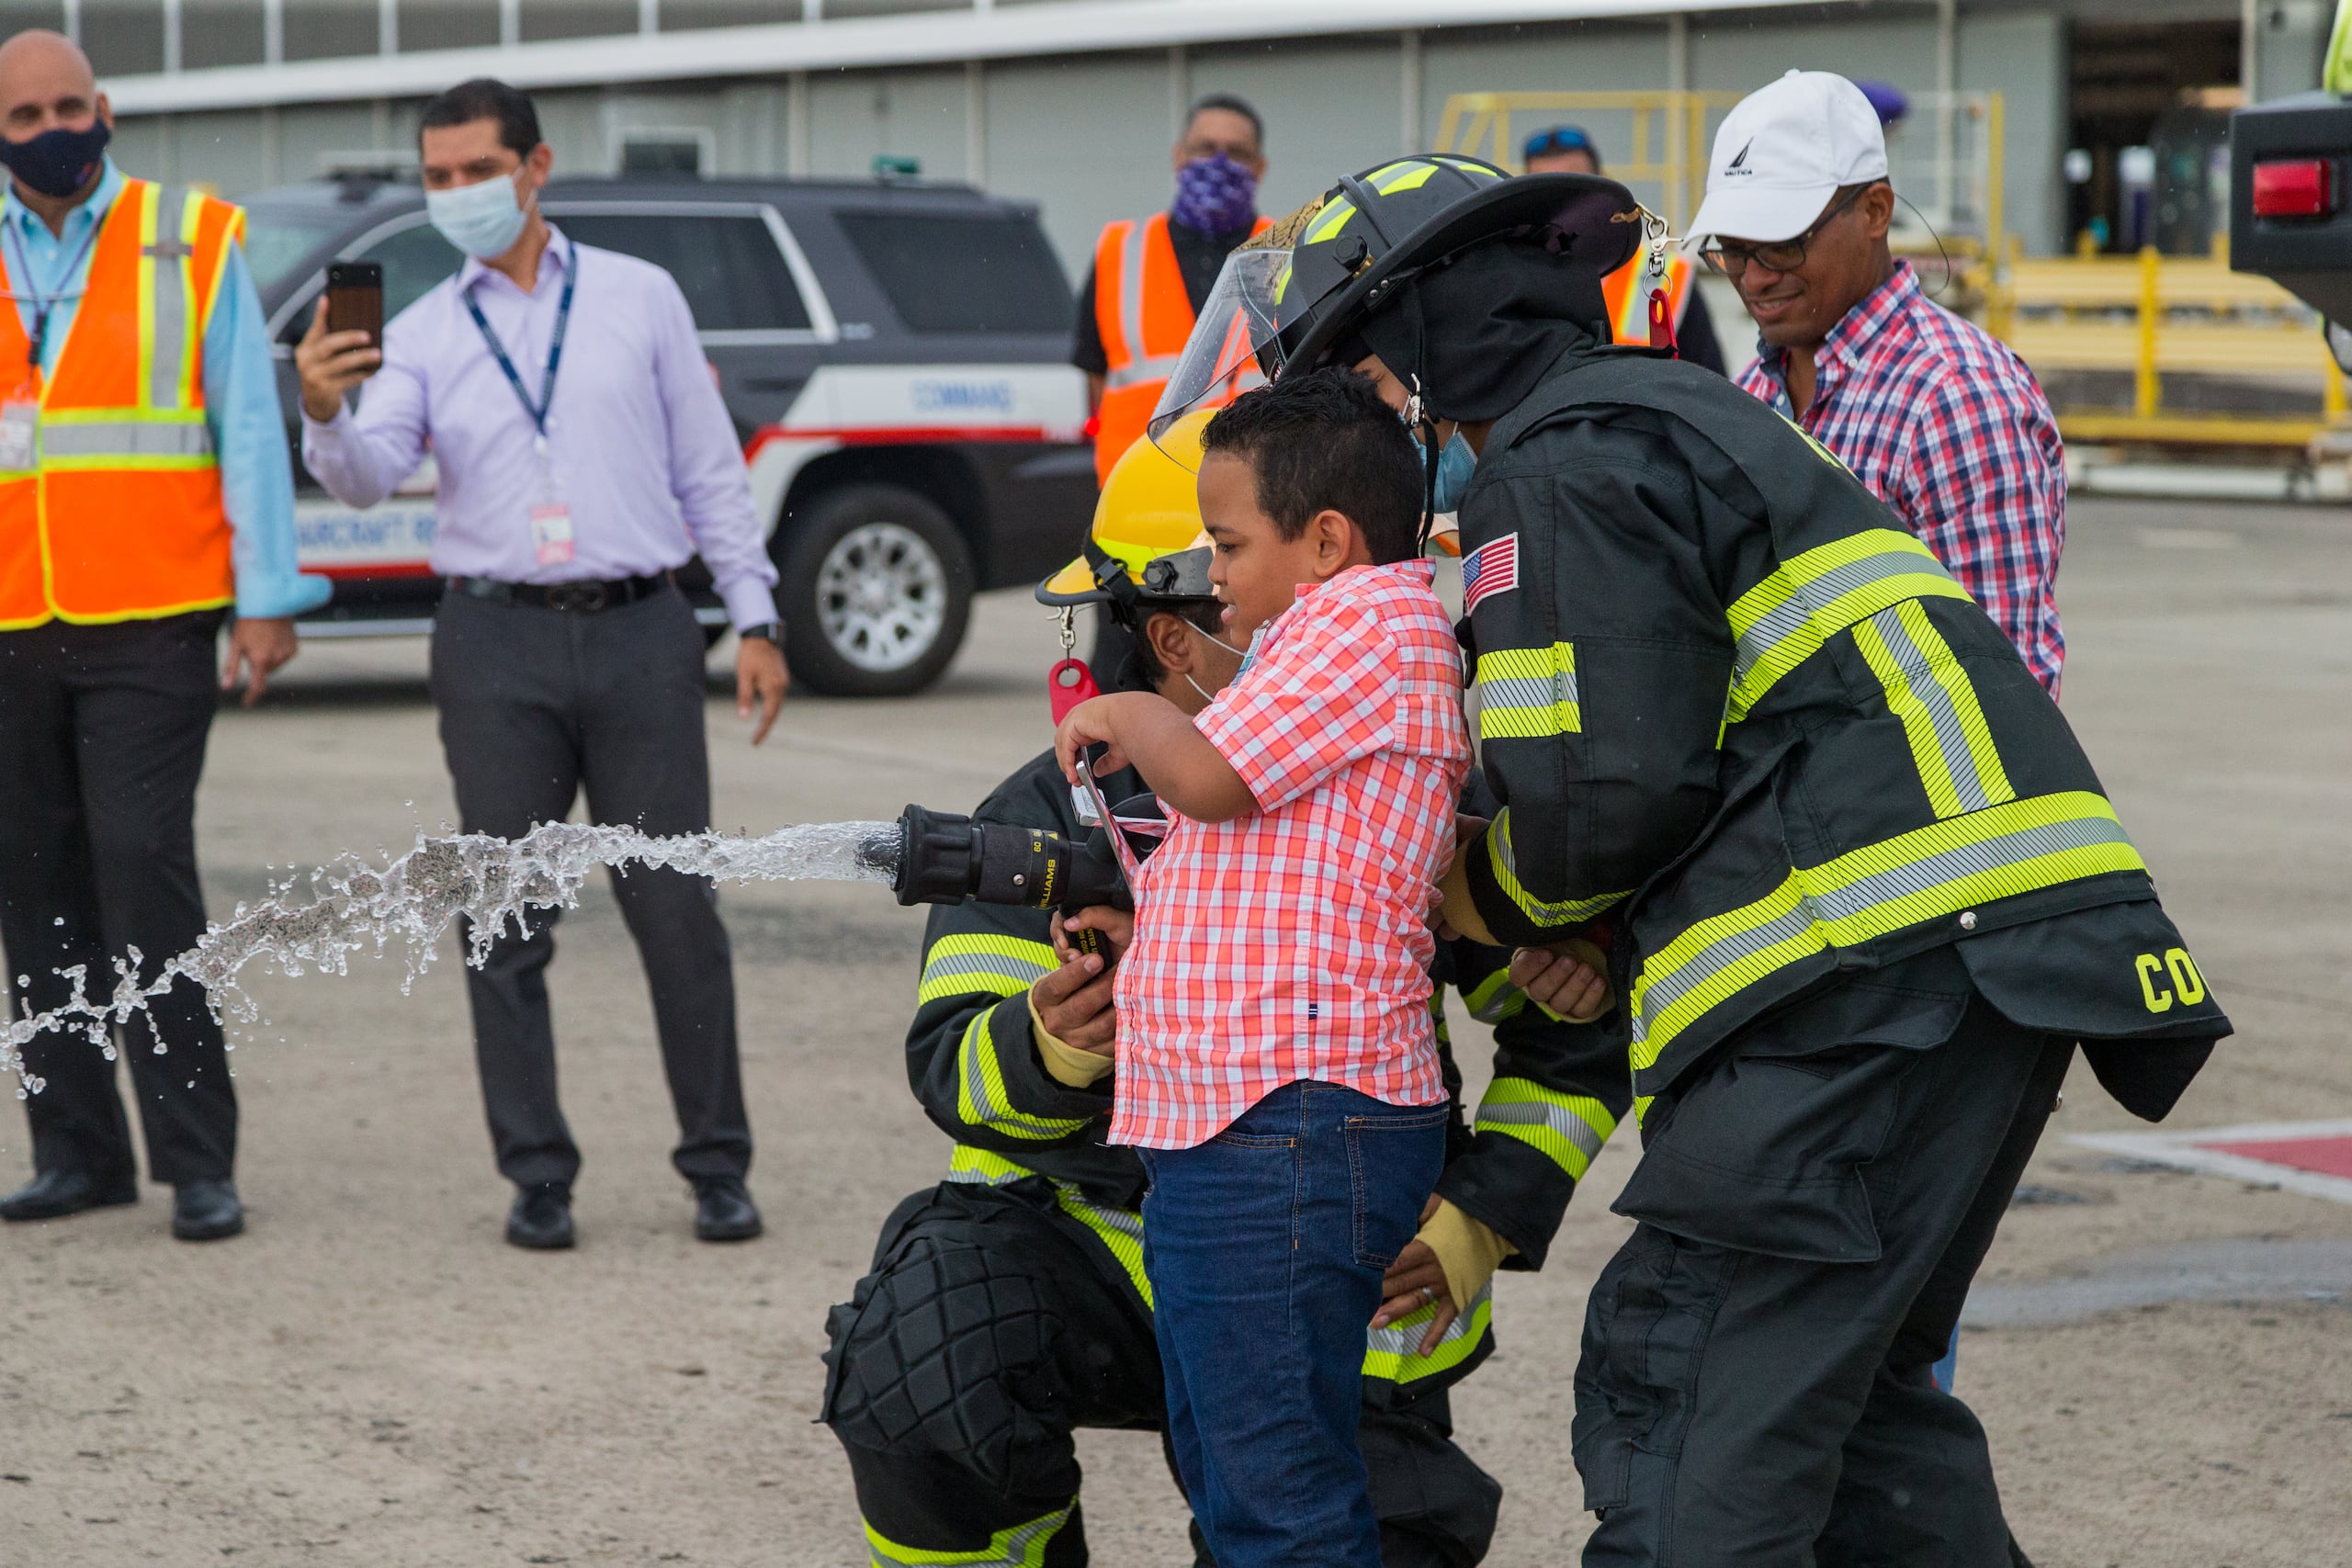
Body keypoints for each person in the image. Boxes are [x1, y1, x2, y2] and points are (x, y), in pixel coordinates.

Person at [1170, 153, 2229, 1563]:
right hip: (2003, 955)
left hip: (1876, 976)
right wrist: (1585, 930)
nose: (1361, 415)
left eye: (1359, 373)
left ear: (1426, 347)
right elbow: (1689, 767)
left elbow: (1596, 808)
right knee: (1852, 1435)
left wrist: (1470, 893)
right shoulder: (1673, 417)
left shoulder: (1550, 477)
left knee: (1682, 1404)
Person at [820, 416, 1630, 1567]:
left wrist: (1476, 1219)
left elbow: (1572, 1040)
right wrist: (1058, 1041)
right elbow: (951, 1069)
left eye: (1237, 553)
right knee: (925, 1353)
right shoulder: (1041, 818)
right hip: (1093, 1253)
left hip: (1317, 1224)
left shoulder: (1376, 772)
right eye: (1219, 565)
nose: (1251, 610)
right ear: (1173, 636)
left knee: (1298, 1519)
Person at [293, 77, 789, 1251]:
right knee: (500, 921)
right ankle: (537, 1175)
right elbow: (370, 473)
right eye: (437, 175)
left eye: (476, 170)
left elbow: (708, 470)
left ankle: (717, 1166)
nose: (456, 193)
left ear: (535, 166)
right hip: (494, 641)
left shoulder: (640, 298)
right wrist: (324, 413)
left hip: (639, 630)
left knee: (674, 909)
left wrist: (757, 618)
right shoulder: (415, 331)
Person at [1045, 372, 1473, 1568]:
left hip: (1285, 1122)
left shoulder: (1365, 625)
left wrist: (1129, 711)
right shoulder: (1327, 638)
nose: (1215, 574)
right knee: (1238, 1473)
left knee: (1277, 1493)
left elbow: (1213, 780)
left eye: (1229, 543)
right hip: (1248, 1124)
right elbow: (1255, 853)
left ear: (1326, 537)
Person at [0, 30, 323, 1243]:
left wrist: (267, 595)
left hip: (151, 616)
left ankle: (196, 1160)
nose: (48, 130)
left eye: (66, 106)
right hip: (10, 618)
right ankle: (75, 1152)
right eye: (23, 116)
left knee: (145, 878)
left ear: (108, 107)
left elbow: (247, 418)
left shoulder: (190, 236)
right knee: (32, 892)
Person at [1688, 71, 2070, 693]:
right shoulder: (1757, 396)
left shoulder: (1957, 401)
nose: (1752, 278)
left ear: (1874, 211)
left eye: (1781, 246)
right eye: (1732, 249)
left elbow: (2003, 697)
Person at [1074, 93, 1273, 485]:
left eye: (1235, 152)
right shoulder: (1120, 251)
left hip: (1253, 489)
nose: (1218, 163)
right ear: (1178, 156)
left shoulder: (1285, 251)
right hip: (1135, 489)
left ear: (1260, 167)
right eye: (1204, 148)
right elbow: (1095, 378)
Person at [1521, 125, 1724, 375]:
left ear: (1605, 194)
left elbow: (1712, 385)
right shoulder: (1517, 283)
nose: (1561, 209)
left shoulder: (1665, 277)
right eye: (1546, 195)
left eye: (1574, 193)